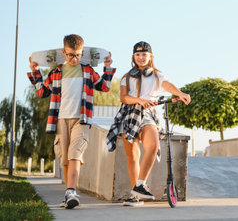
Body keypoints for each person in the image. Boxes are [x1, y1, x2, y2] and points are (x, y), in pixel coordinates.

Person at [27, 34, 115, 209]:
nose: (74, 58)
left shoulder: (88, 71)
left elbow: (104, 87)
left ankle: (71, 191)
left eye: (78, 55)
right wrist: (36, 71)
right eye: (70, 55)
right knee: (65, 158)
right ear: (63, 52)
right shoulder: (56, 72)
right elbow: (41, 92)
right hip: (60, 119)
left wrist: (107, 67)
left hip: (81, 119)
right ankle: (69, 193)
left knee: (75, 153)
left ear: (82, 53)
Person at [106, 41, 190, 206]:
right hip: (129, 113)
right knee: (133, 156)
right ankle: (135, 196)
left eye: (144, 54)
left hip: (148, 115)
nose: (141, 57)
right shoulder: (127, 77)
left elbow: (167, 85)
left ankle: (140, 184)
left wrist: (180, 93)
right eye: (138, 55)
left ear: (150, 56)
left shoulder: (157, 75)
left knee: (153, 146)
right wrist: (139, 100)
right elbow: (123, 98)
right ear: (133, 57)